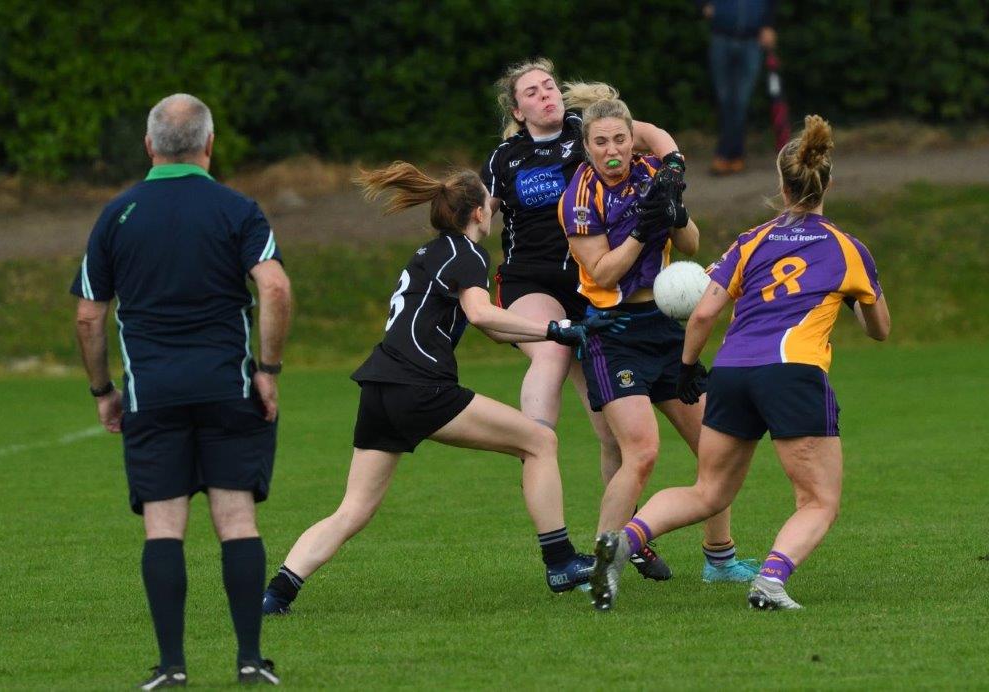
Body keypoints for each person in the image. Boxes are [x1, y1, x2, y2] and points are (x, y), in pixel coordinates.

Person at [261, 162, 627, 615]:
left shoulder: (431, 252)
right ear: (477, 214)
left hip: (379, 387)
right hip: (420, 386)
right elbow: (481, 315)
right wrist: (560, 327)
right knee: (539, 441)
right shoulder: (467, 254)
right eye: (488, 206)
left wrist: (565, 331)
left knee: (353, 510)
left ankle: (277, 592)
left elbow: (494, 329)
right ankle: (560, 561)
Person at [589, 115, 891, 611]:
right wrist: (857, 300)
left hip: (731, 372)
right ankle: (770, 582)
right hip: (792, 372)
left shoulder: (751, 240)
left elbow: (705, 310)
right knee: (818, 499)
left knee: (708, 490)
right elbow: (880, 330)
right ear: (827, 183)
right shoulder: (846, 247)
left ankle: (622, 540)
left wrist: (687, 368)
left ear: (781, 183)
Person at [71, 93, 289, 687]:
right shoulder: (237, 209)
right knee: (237, 521)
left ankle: (172, 668)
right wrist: (266, 370)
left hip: (153, 394)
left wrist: (102, 389)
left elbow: (89, 317)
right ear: (209, 145)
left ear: (149, 146)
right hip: (227, 388)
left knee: (163, 528)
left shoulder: (117, 213)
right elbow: (273, 289)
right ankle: (249, 659)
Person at [482, 58, 683, 580]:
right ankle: (534, 441)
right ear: (518, 108)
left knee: (613, 438)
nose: (547, 94)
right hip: (531, 282)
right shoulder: (505, 157)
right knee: (551, 348)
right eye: (533, 91)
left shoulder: (589, 132)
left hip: (589, 286)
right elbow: (477, 216)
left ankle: (623, 537)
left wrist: (674, 166)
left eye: (550, 85)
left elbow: (655, 135)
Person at [558, 93, 761, 584]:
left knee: (717, 446)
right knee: (642, 453)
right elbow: (603, 274)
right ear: (586, 147)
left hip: (667, 330)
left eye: (620, 140)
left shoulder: (652, 174)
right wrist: (641, 231)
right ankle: (603, 563)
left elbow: (690, 244)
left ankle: (720, 559)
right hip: (615, 333)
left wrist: (675, 213)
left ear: (633, 141)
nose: (612, 150)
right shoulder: (579, 198)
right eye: (600, 141)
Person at [698, 0, 778, 175]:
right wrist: (703, 5)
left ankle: (726, 154)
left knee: (741, 101)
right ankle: (733, 155)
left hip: (751, 41)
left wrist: (768, 25)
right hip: (721, 37)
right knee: (725, 100)